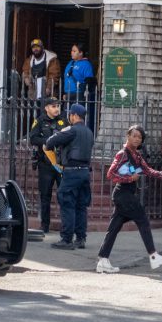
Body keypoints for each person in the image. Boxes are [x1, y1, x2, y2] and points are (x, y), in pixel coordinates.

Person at [96, 125, 162, 274]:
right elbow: (110, 174)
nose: (136, 139)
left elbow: (148, 171)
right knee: (143, 220)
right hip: (123, 194)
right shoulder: (123, 154)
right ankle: (153, 256)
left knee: (113, 229)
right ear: (128, 136)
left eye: (139, 137)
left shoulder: (137, 156)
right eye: (134, 135)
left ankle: (103, 260)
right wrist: (128, 178)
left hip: (125, 195)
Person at [44, 103, 94, 250]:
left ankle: (66, 239)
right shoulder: (89, 132)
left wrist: (61, 133)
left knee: (67, 204)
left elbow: (50, 142)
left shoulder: (71, 130)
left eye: (70, 115)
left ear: (74, 115)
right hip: (85, 172)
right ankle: (80, 238)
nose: (69, 117)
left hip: (72, 172)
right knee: (81, 206)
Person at [28, 97, 67, 233]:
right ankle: (45, 226)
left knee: (64, 195)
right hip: (46, 164)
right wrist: (49, 140)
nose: (56, 109)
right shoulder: (39, 121)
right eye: (53, 106)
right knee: (45, 196)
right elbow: (33, 138)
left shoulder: (64, 121)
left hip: (61, 164)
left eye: (58, 106)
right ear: (46, 108)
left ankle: (65, 226)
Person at [63, 43, 96, 133]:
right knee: (67, 116)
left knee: (78, 117)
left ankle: (79, 134)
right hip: (68, 93)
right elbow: (66, 78)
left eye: (74, 51)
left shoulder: (86, 64)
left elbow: (89, 80)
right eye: (71, 51)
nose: (72, 53)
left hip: (79, 94)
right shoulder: (70, 63)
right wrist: (65, 93)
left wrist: (86, 91)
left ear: (81, 53)